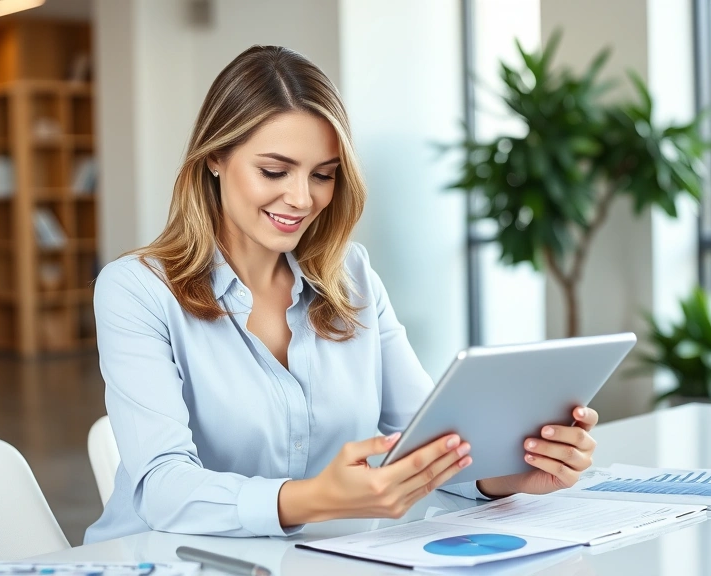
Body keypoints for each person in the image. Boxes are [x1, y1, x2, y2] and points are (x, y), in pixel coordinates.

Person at [83, 45, 599, 544]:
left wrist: (509, 476)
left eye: (323, 175)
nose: (301, 198)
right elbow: (163, 489)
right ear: (215, 156)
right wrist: (314, 499)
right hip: (166, 560)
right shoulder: (137, 290)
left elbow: (426, 441)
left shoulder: (352, 276)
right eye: (274, 171)